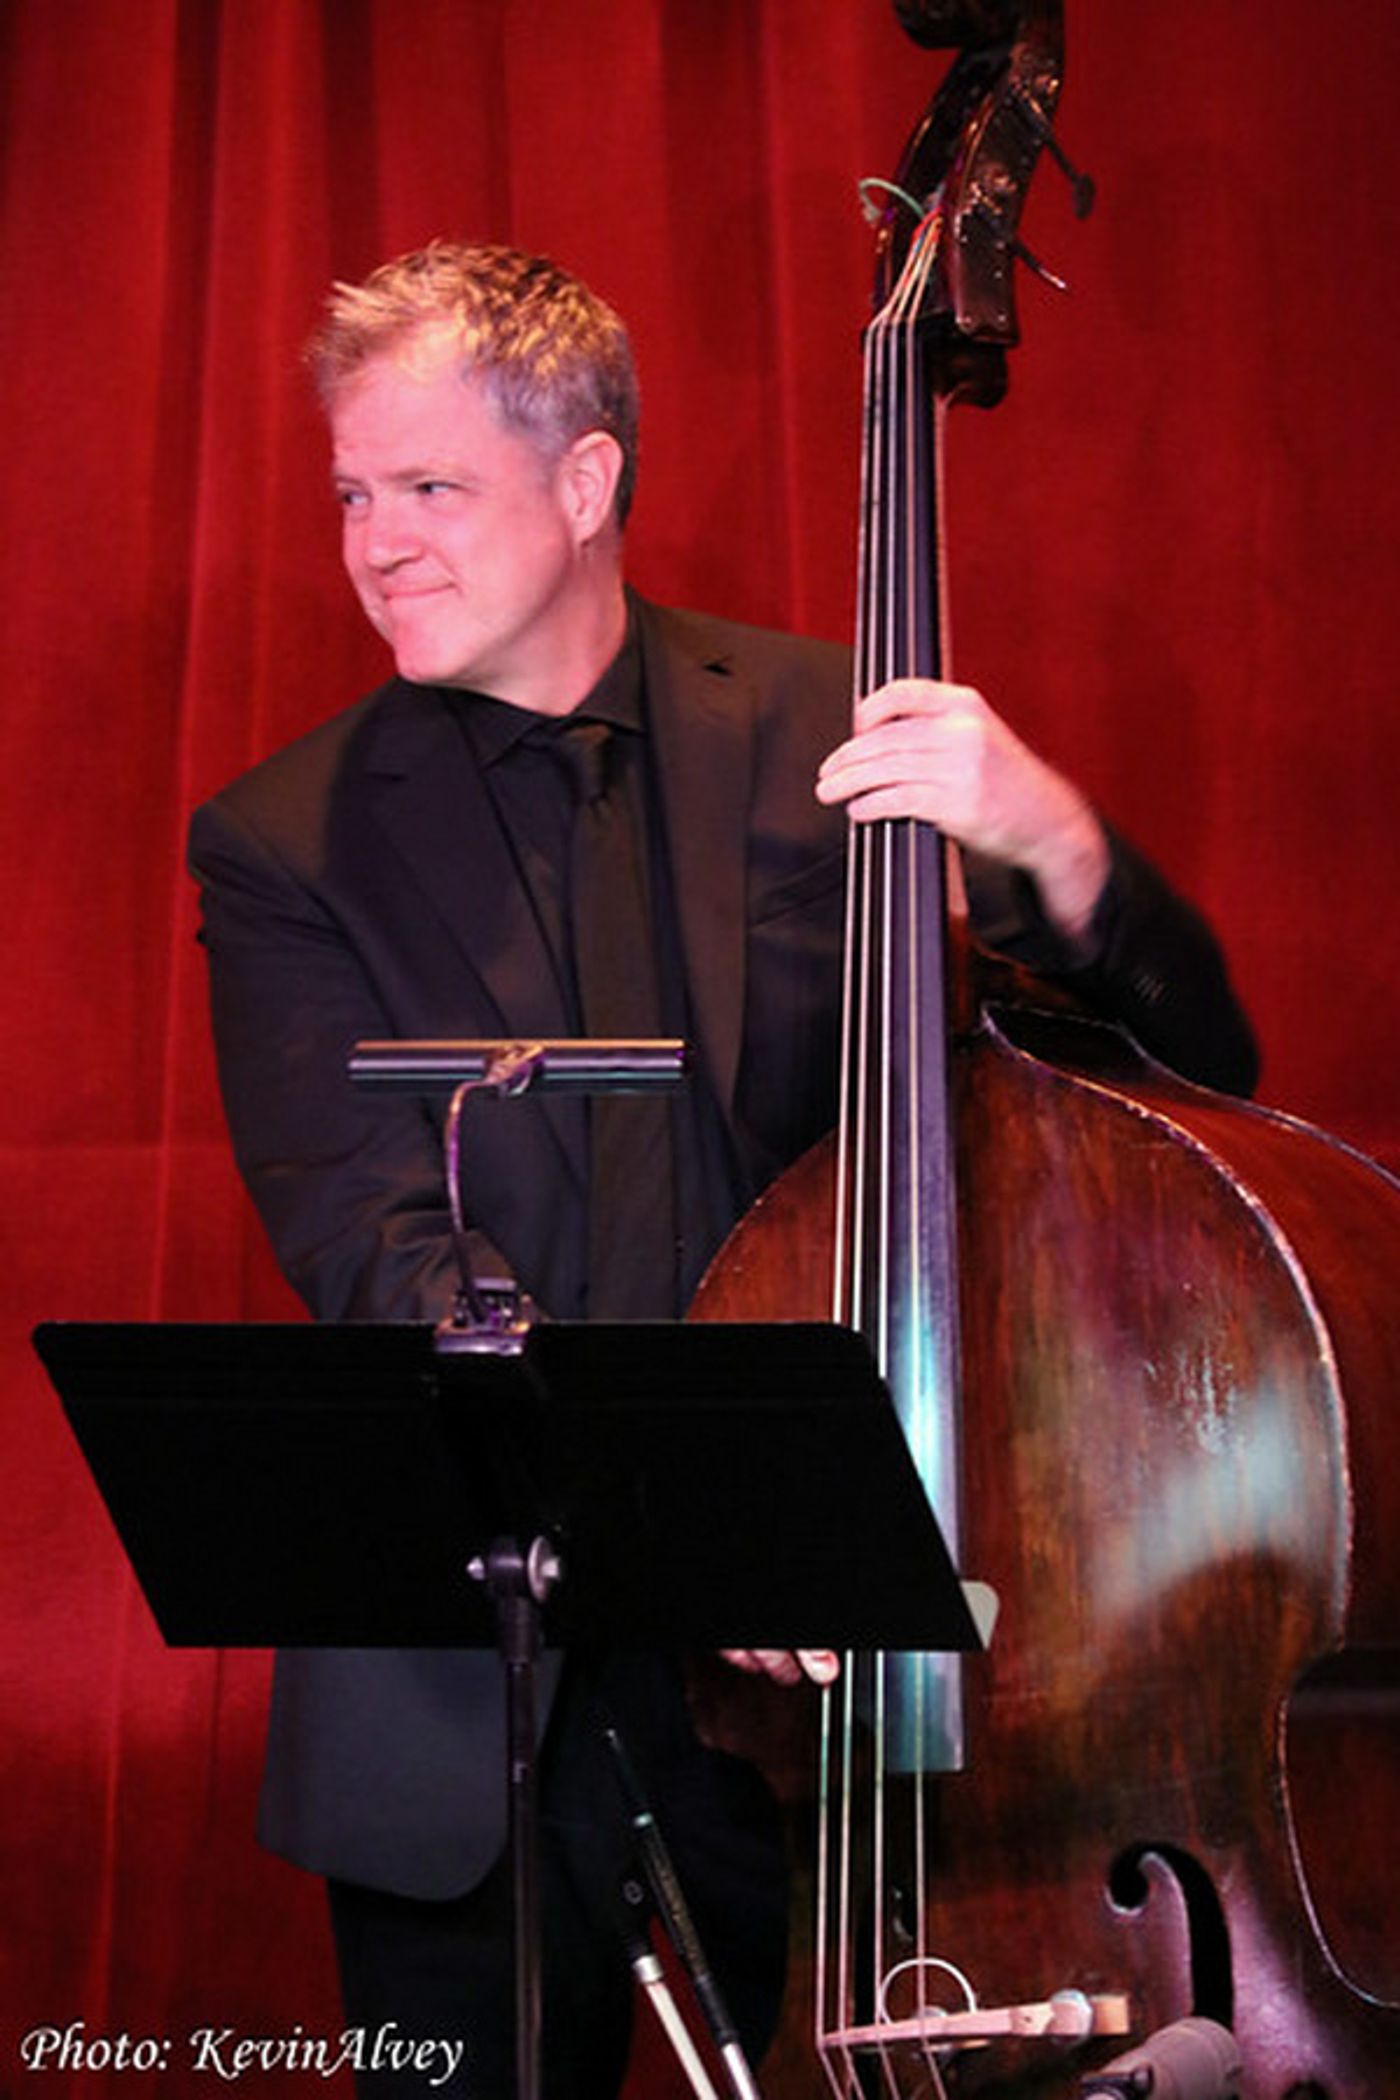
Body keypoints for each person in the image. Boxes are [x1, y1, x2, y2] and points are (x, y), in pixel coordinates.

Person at [187, 241, 1257, 2097]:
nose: (374, 541)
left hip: (832, 1722)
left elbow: (1186, 1090)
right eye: (353, 492)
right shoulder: (279, 844)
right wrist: (709, 1526)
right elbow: (378, 1252)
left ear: (587, 479)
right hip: (470, 1716)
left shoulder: (831, 735)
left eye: (428, 485)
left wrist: (1051, 842)